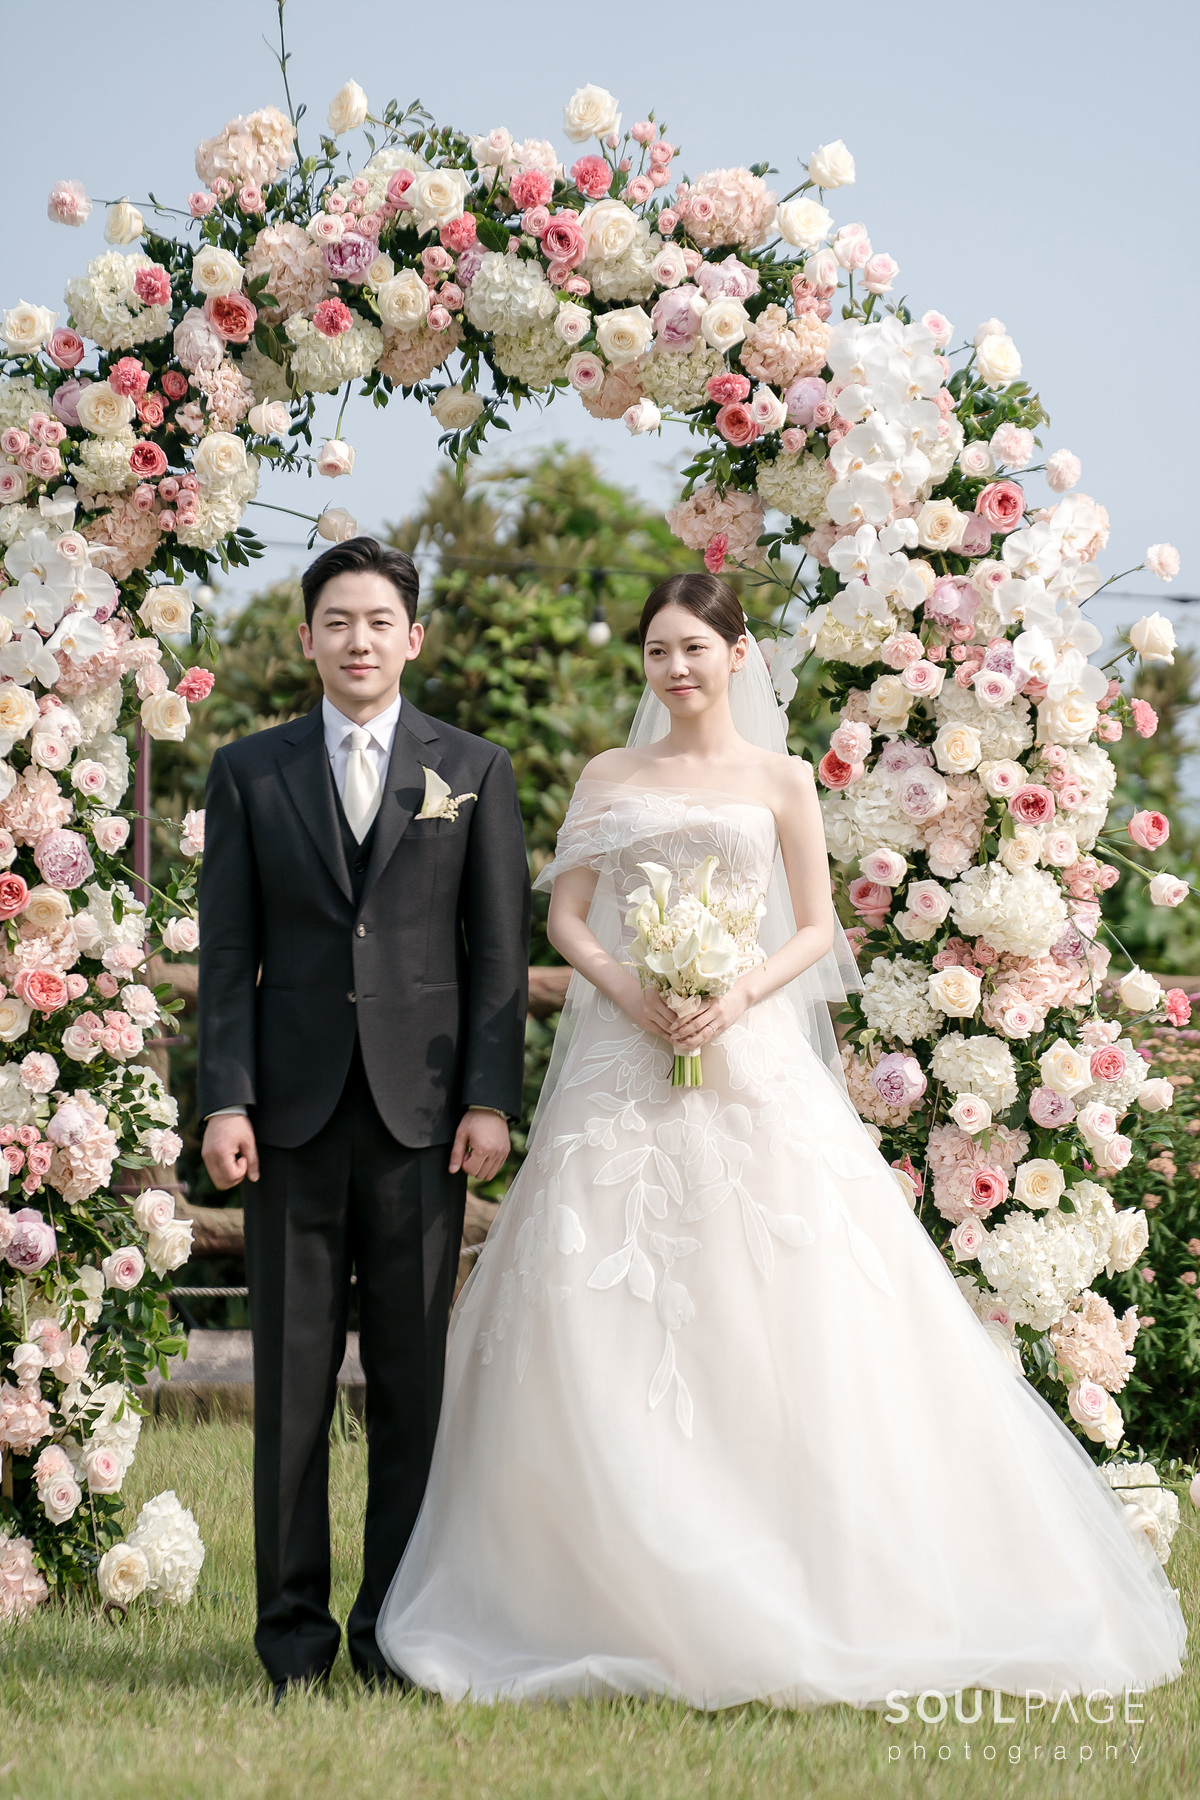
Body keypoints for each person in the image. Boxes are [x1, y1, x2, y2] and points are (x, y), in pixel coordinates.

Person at [375, 571, 1186, 1708]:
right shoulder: (610, 776)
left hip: (745, 1050)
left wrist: (730, 991)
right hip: (623, 1055)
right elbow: (564, 911)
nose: (673, 669)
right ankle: (598, 1575)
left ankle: (805, 1561)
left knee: (786, 1302)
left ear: (737, 656)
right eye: (657, 650)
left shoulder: (782, 778)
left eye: (694, 648)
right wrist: (631, 986)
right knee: (598, 1293)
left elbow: (816, 926)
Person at [197, 536, 530, 1697]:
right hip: (285, 1116)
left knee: (409, 1387)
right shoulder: (248, 772)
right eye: (336, 621)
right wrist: (224, 1097)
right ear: (306, 638)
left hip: (423, 1118)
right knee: (289, 1388)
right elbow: (228, 950)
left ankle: (396, 1633)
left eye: (378, 621)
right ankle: (292, 1644)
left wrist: (491, 1096)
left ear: (413, 638)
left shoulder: (474, 768)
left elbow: (498, 954)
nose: (358, 641)